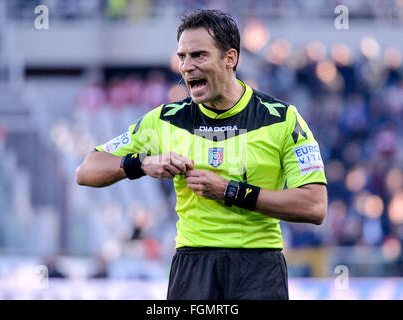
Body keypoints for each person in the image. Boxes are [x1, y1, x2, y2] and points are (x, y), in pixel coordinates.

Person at [76, 9, 328, 300]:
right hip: (193, 267)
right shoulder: (166, 120)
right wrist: (142, 164)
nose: (187, 67)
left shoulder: (281, 119)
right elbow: (86, 170)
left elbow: (314, 206)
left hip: (258, 268)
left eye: (199, 55)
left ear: (230, 58)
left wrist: (229, 191)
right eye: (182, 56)